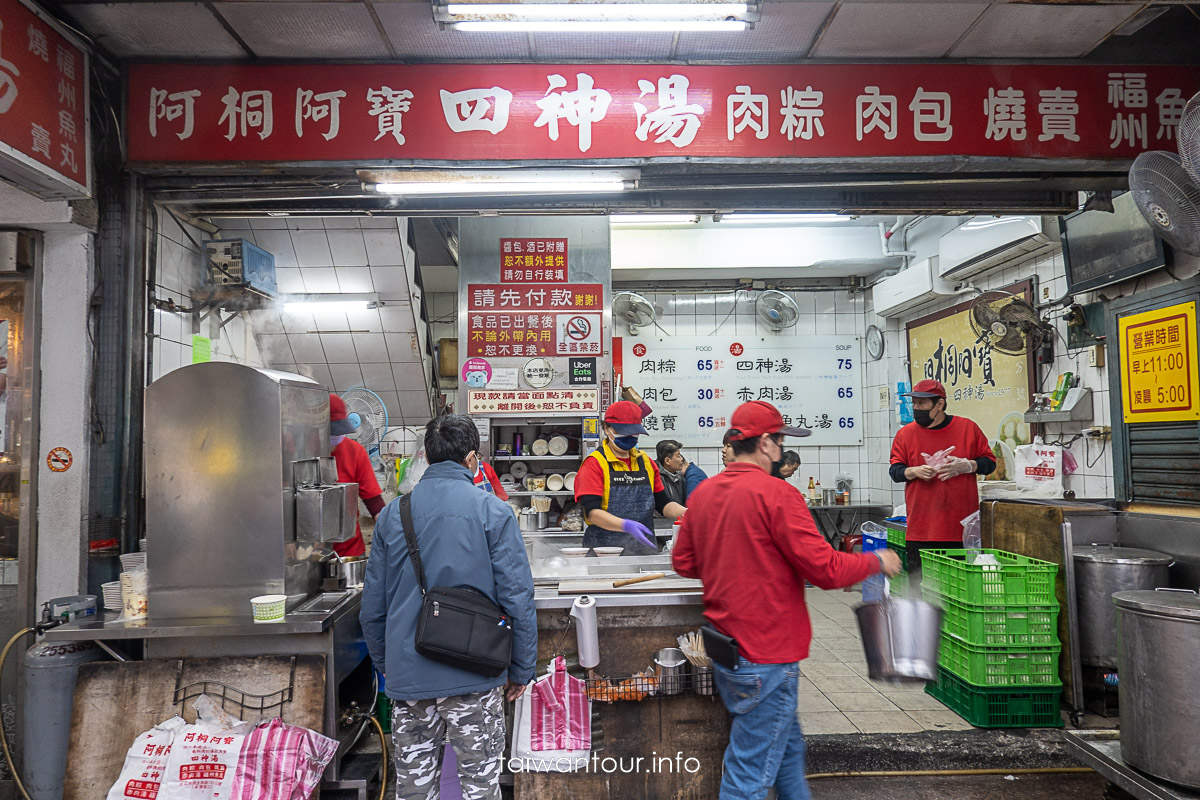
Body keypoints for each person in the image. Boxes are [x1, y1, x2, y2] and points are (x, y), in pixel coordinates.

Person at [674, 401, 900, 800]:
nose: (781, 449)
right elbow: (826, 570)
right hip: (767, 656)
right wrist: (875, 560)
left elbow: (684, 562)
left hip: (727, 650)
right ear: (764, 443)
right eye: (779, 440)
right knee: (749, 776)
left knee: (788, 751)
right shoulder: (779, 495)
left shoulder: (705, 493)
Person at [361, 414, 536, 800]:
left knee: (415, 790)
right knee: (480, 788)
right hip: (475, 676)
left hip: (410, 684)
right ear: (472, 459)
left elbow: (371, 606)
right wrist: (521, 669)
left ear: (426, 455)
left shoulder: (393, 514)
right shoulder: (493, 511)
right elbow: (517, 598)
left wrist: (391, 667)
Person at [890, 379, 996, 585]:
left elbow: (989, 463)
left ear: (940, 404)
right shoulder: (905, 434)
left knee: (959, 589)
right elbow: (895, 471)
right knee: (919, 588)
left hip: (960, 530)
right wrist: (915, 471)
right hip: (920, 529)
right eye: (914, 403)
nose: (916, 408)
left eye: (922, 403)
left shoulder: (968, 428)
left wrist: (967, 466)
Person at [573, 400, 686, 555]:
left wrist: (686, 512)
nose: (629, 436)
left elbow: (663, 504)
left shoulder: (646, 462)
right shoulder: (594, 464)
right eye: (623, 431)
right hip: (605, 553)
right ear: (606, 428)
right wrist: (626, 525)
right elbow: (593, 513)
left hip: (644, 551)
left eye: (633, 432)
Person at [328, 394, 384, 558]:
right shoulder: (297, 450)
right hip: (307, 555)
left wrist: (391, 532)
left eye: (339, 432)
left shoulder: (355, 452)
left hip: (349, 553)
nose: (335, 438)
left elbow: (374, 503)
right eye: (331, 433)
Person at [655, 439, 708, 506]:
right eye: (678, 456)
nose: (681, 459)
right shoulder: (655, 477)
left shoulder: (680, 476)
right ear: (667, 461)